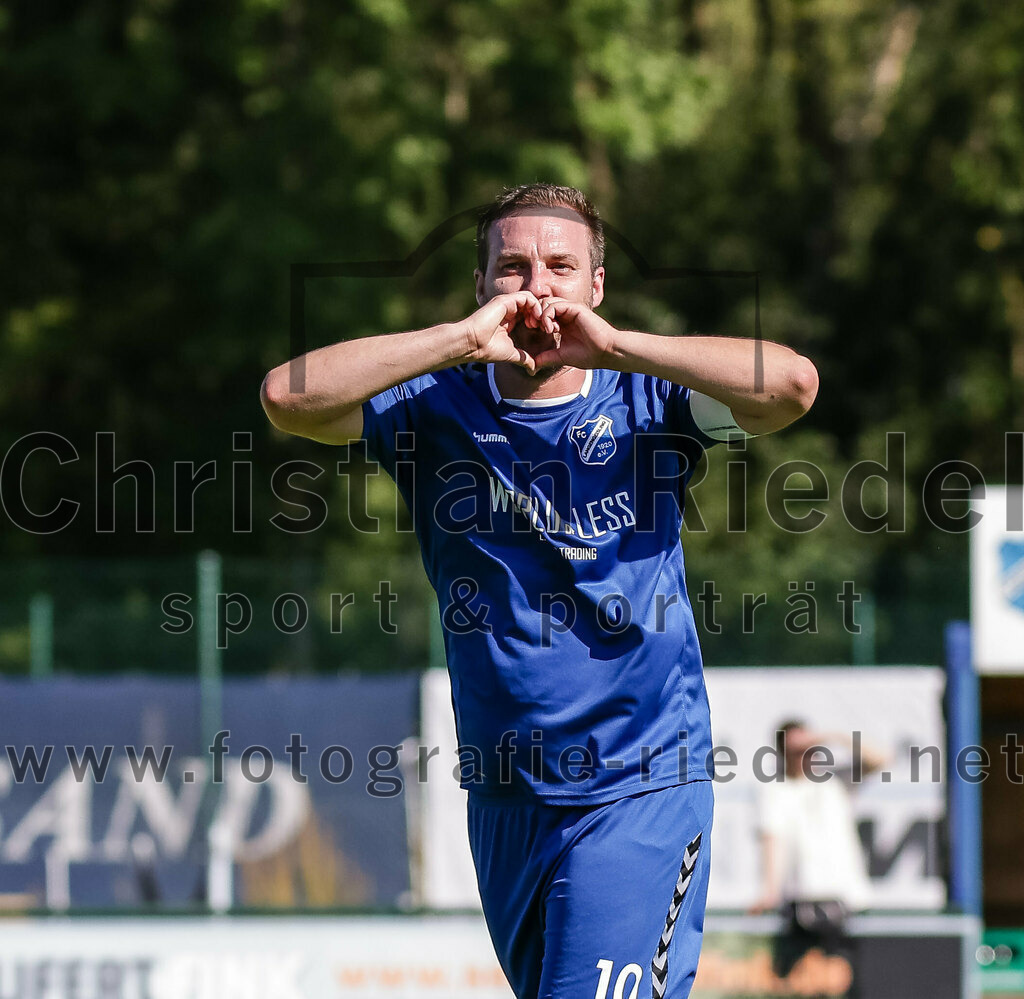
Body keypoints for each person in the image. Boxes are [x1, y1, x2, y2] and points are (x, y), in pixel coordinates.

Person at [261, 183, 818, 999]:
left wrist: (622, 347)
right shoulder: (432, 403)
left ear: (596, 285)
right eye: (512, 267)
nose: (537, 286)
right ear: (482, 286)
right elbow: (287, 398)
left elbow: (792, 388)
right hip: (507, 798)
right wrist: (454, 343)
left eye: (561, 265)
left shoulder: (651, 399)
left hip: (638, 788)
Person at [753, 720, 887, 988]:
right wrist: (770, 890)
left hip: (848, 902)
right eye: (796, 749)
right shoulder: (776, 790)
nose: (805, 755)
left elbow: (881, 760)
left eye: (809, 748)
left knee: (850, 983)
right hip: (803, 906)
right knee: (805, 984)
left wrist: (832, 735)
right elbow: (773, 840)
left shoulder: (835, 781)